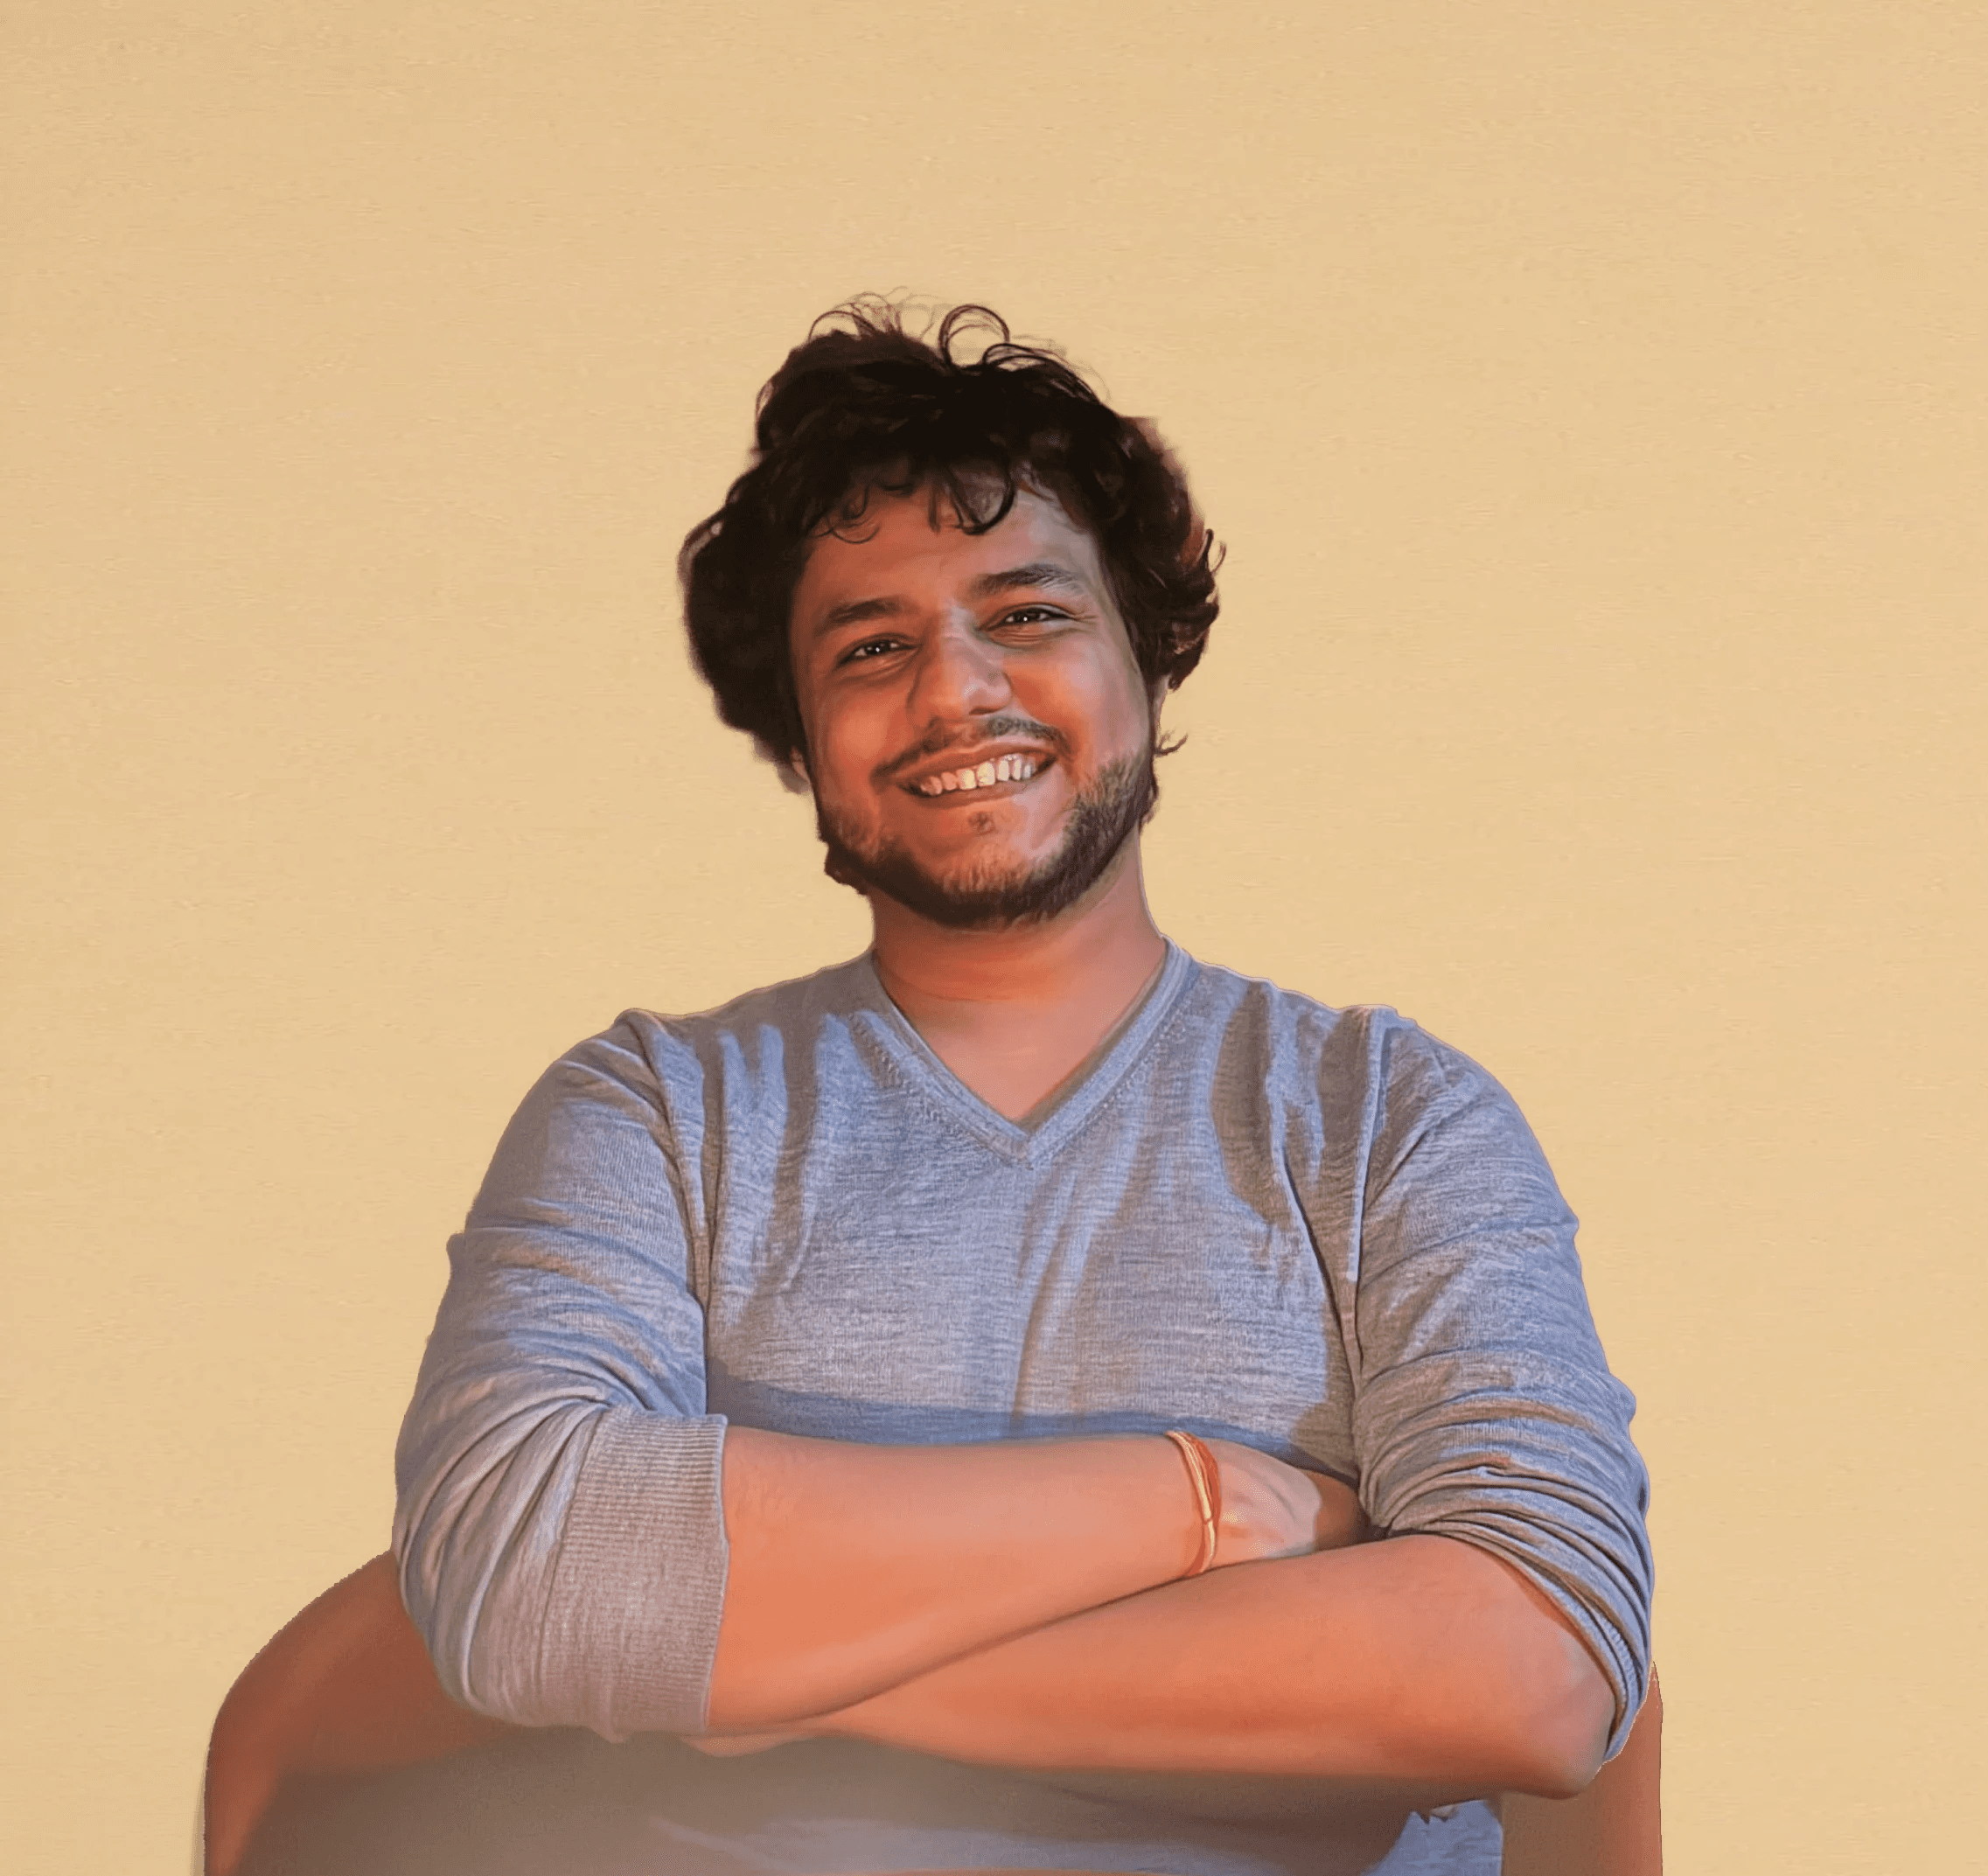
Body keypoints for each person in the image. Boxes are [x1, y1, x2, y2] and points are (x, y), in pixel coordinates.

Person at [206, 300, 1657, 1876]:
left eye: (1028, 613)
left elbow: (1537, 1667)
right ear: (801, 741)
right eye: (872, 647)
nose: (958, 689)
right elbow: (526, 1574)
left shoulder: (1391, 1120)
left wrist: (763, 1669)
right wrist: (1199, 1506)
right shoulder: (654, 1114)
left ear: (1148, 658)